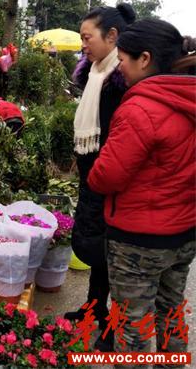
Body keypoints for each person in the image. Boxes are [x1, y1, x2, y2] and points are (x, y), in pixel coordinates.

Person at [88, 19, 195, 366]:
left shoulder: (141, 108)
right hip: (184, 233)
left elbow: (106, 177)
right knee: (171, 311)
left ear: (145, 58)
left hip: (138, 242)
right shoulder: (188, 101)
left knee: (132, 327)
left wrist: (94, 170)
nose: (119, 66)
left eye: (123, 59)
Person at [64, 3, 136, 351]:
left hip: (113, 181)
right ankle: (94, 308)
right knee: (94, 248)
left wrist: (103, 173)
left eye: (87, 37)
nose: (83, 45)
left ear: (112, 36)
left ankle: (113, 329)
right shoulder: (95, 74)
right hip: (93, 176)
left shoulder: (121, 83)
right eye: (81, 38)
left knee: (114, 257)